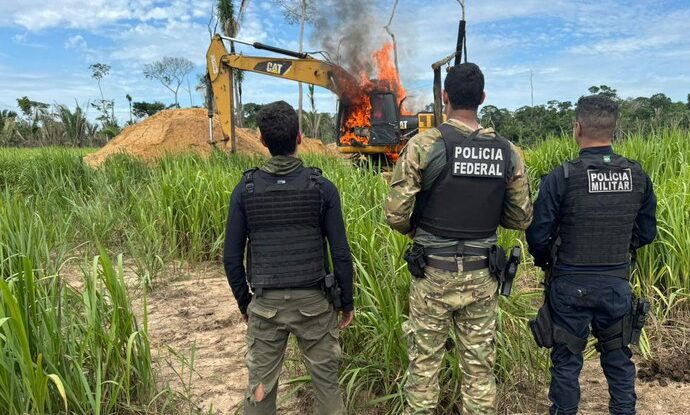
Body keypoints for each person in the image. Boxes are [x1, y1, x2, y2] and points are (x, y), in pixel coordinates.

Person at [385, 62, 533, 414]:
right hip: (483, 276)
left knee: (423, 371)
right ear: (483, 97)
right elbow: (521, 217)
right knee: (479, 373)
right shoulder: (507, 151)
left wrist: (418, 231)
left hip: (432, 275)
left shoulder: (423, 145)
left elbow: (395, 214)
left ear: (444, 97)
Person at [525, 94, 657, 415]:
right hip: (615, 284)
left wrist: (547, 261)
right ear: (614, 130)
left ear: (577, 128)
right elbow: (646, 232)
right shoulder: (636, 175)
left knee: (566, 362)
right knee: (618, 358)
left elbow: (538, 235)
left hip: (569, 284)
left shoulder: (562, 177)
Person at [223, 101, 354, 415]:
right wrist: (347, 302)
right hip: (314, 304)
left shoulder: (245, 190)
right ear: (299, 137)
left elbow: (231, 257)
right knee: (327, 386)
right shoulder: (322, 188)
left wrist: (245, 304)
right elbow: (340, 253)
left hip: (265, 305)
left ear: (262, 140)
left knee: (260, 390)